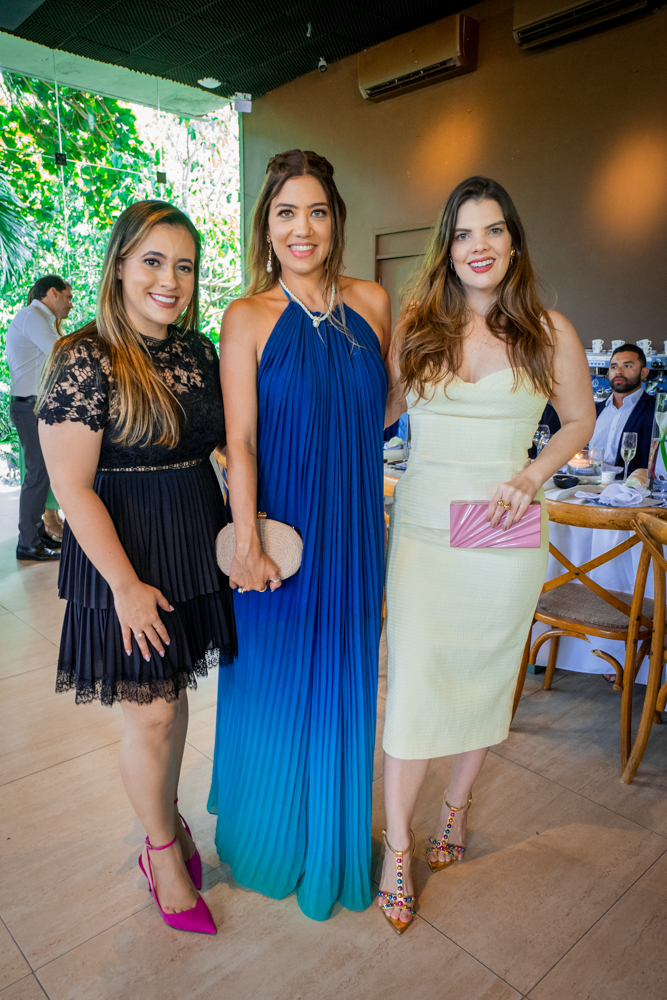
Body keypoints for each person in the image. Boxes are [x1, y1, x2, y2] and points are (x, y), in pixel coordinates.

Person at [379, 176, 595, 933]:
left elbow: (578, 420)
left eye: (493, 230)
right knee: (413, 685)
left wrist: (532, 475)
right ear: (447, 247)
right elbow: (379, 413)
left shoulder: (548, 329)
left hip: (501, 528)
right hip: (424, 527)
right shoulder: (417, 327)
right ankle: (397, 849)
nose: (479, 246)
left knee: (480, 677)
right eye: (464, 233)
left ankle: (455, 808)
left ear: (513, 241)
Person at [37, 201, 236, 935]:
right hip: (124, 549)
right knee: (150, 712)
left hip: (191, 539)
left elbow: (225, 444)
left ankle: (167, 815)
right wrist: (124, 586)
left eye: (184, 266)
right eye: (153, 261)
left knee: (173, 697)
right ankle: (159, 852)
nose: (170, 280)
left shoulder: (198, 351)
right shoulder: (83, 356)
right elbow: (71, 487)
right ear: (119, 264)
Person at [208, 149, 390, 921]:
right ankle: (268, 837)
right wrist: (246, 542)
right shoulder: (246, 315)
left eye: (316, 211)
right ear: (267, 226)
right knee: (272, 679)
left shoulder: (373, 301)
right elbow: (240, 441)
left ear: (335, 220)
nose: (302, 228)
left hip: (352, 529)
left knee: (344, 678)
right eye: (286, 213)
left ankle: (331, 840)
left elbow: (386, 406)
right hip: (280, 533)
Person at [7, 274, 72, 560]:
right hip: (30, 406)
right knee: (38, 474)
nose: (70, 304)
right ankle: (28, 544)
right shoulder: (33, 316)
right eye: (68, 297)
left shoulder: (38, 318)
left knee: (42, 473)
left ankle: (37, 534)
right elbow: (62, 352)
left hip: (35, 405)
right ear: (52, 293)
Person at [535, 344, 653, 474]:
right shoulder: (593, 411)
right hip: (587, 482)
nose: (618, 371)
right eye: (614, 366)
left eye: (627, 366)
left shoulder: (656, 412)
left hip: (631, 485)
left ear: (644, 372)